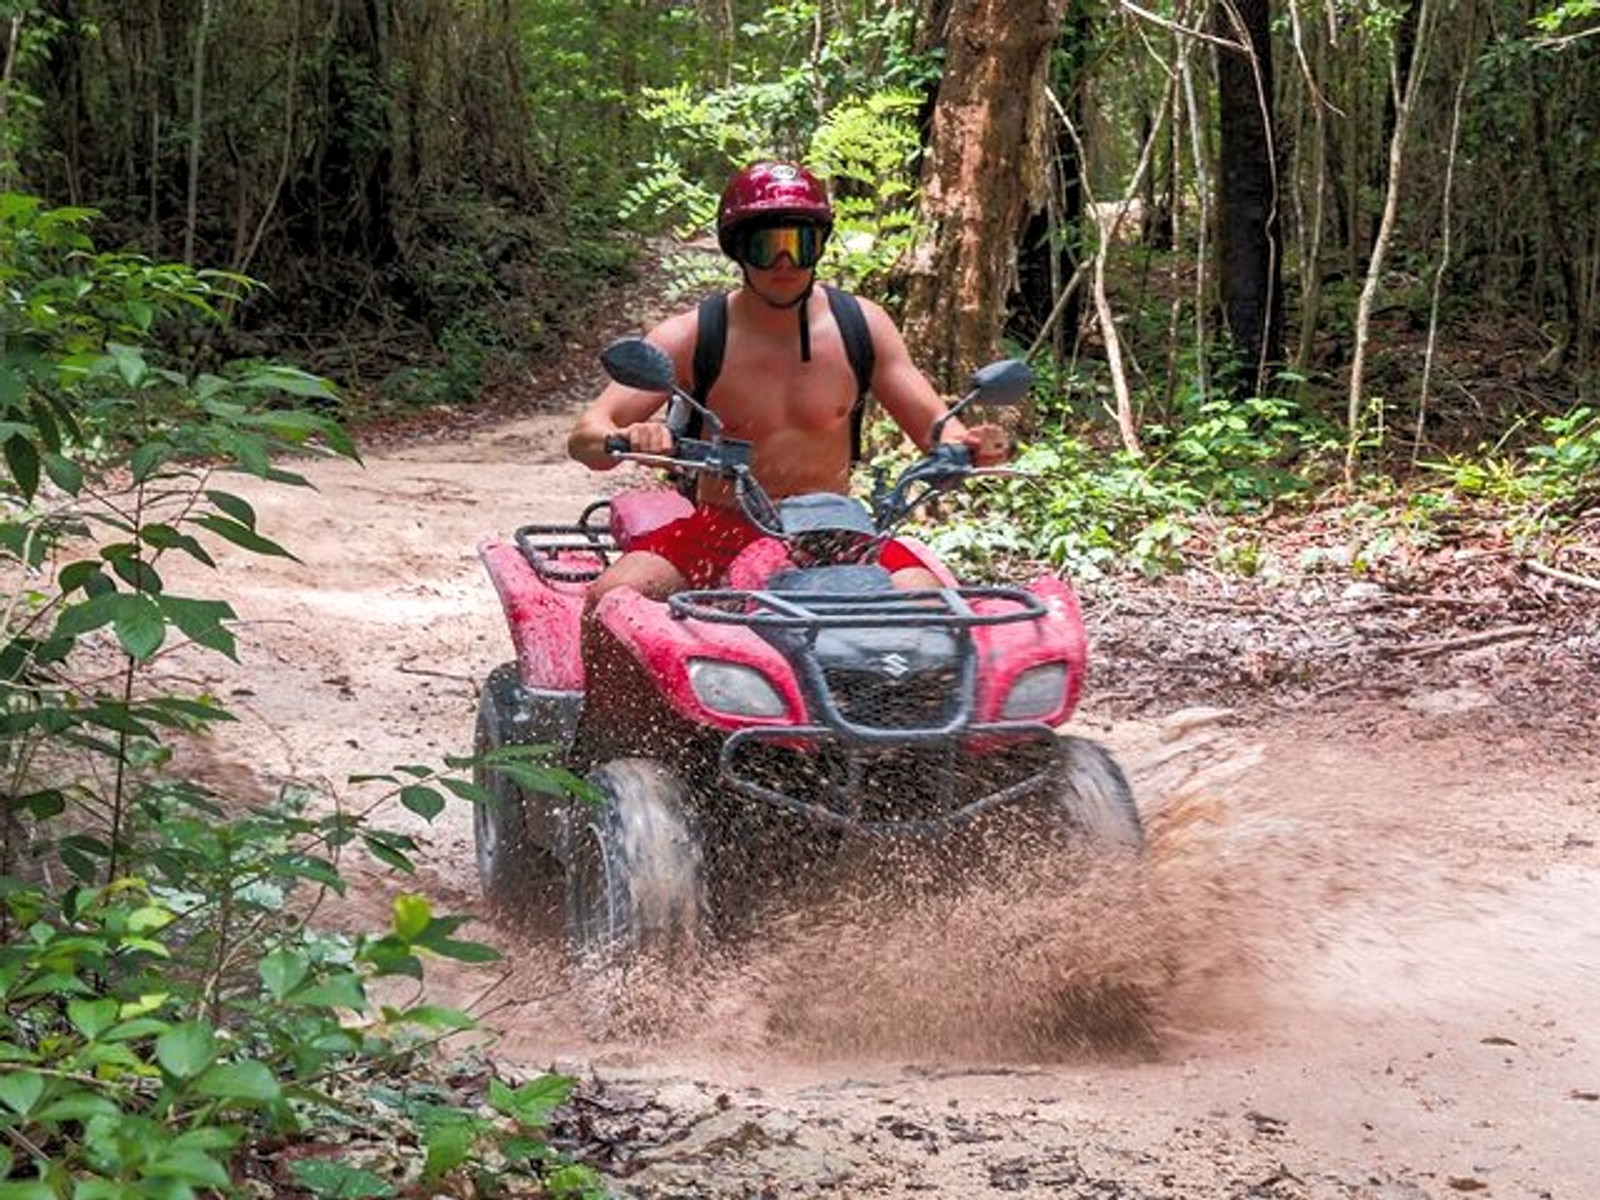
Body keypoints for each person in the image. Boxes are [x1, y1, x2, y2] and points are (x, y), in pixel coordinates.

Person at [567, 160, 1011, 619]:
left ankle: (907, 694)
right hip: (722, 532)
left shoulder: (862, 327)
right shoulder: (693, 336)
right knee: (616, 596)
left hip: (837, 532)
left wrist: (977, 445)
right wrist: (629, 437)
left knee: (933, 608)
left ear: (819, 247)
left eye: (799, 244)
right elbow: (585, 434)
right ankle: (607, 696)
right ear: (738, 249)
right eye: (767, 246)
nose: (785, 263)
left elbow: (937, 430)